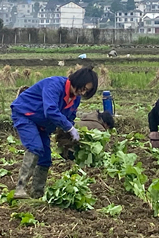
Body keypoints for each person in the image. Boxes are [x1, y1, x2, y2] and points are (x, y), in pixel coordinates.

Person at [11, 67, 98, 199]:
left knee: (45, 158)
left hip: (43, 124)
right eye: (83, 87)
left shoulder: (76, 98)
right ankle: (20, 189)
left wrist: (69, 136)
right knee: (35, 148)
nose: (82, 92)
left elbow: (70, 117)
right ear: (78, 80)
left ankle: (37, 194)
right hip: (26, 115)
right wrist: (69, 127)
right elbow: (50, 110)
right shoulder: (55, 85)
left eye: (86, 91)